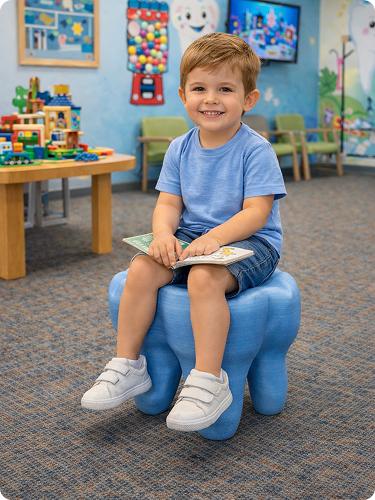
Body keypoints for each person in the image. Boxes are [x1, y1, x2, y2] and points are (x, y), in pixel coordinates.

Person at [81, 32, 287, 432]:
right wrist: (162, 235)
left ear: (248, 100)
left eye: (225, 89)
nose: (210, 99)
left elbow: (257, 212)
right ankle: (128, 364)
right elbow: (169, 204)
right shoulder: (179, 147)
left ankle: (210, 380)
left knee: (204, 277)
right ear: (182, 94)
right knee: (141, 269)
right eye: (199, 88)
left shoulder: (256, 149)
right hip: (194, 235)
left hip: (251, 242)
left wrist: (217, 238)